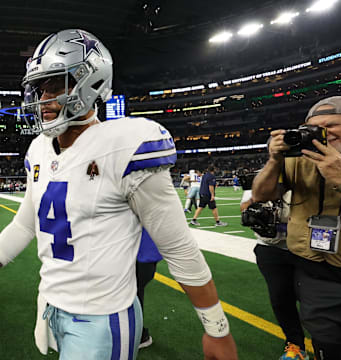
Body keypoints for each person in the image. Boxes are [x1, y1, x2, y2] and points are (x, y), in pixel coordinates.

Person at [0, 29, 237, 360]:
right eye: (39, 88)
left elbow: (178, 247)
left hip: (102, 317)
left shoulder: (126, 145)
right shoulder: (39, 149)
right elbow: (25, 225)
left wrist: (216, 329)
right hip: (52, 305)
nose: (43, 98)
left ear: (89, 81)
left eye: (55, 85)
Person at [252, 96, 341, 360]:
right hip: (316, 273)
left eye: (331, 125)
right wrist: (274, 160)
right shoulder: (299, 159)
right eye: (314, 127)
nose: (323, 133)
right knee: (327, 344)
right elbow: (260, 194)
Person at [241, 189, 308, 360]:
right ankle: (296, 345)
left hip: (309, 247)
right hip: (271, 246)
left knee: (314, 301)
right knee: (281, 299)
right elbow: (245, 207)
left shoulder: (312, 171)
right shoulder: (266, 175)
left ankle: (331, 345)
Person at [136, 228, 163, 349]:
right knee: (135, 294)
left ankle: (139, 335)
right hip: (145, 252)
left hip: (140, 253)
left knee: (133, 295)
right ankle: (139, 334)